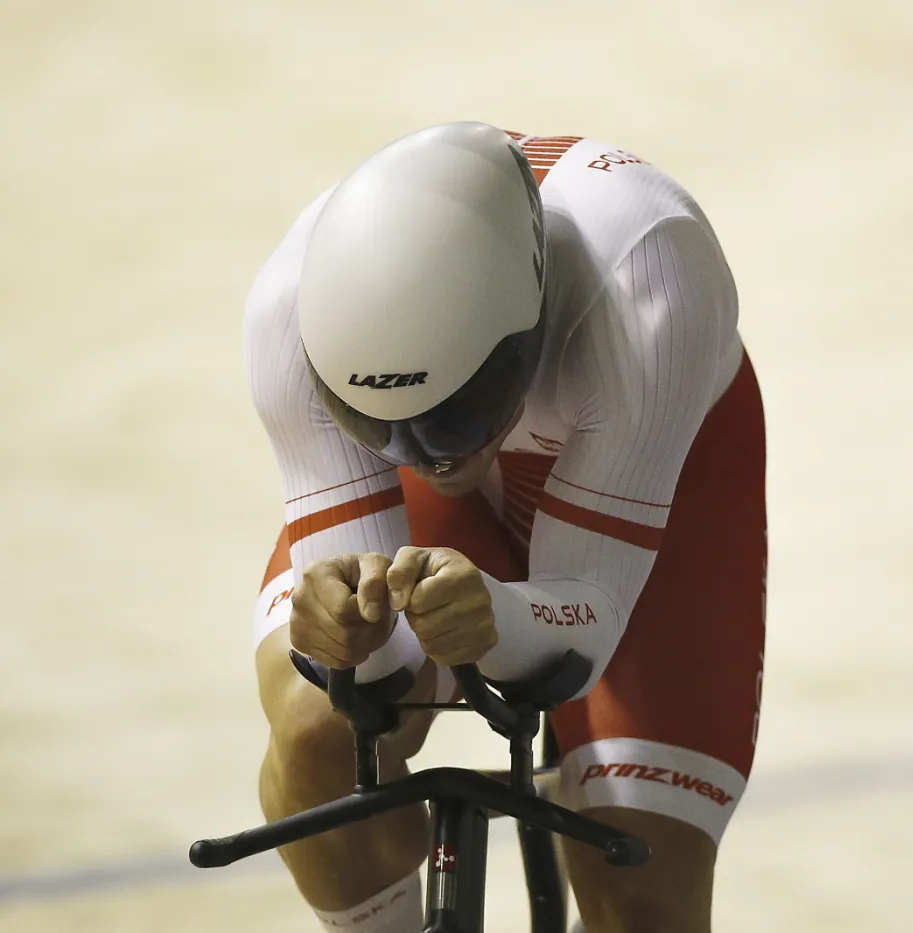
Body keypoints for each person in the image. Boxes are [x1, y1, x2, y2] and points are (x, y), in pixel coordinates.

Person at [245, 121, 767, 933]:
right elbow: (374, 677)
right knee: (322, 729)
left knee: (641, 897)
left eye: (456, 417)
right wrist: (341, 633)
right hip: (444, 515)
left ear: (529, 337)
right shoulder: (286, 310)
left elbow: (584, 628)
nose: (426, 452)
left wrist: (500, 614)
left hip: (661, 475)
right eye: (377, 426)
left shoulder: (649, 275)